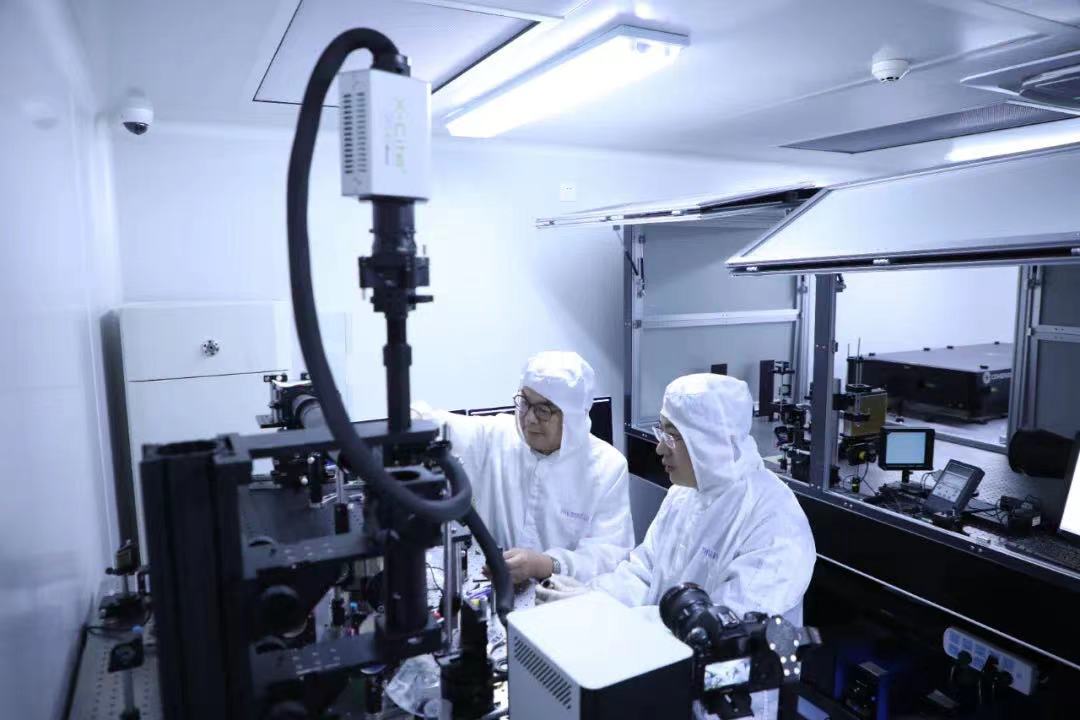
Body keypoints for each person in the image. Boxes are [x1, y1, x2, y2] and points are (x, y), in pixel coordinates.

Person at [536, 373, 816, 719]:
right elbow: (643, 572)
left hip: (724, 703)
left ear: (711, 440)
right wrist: (591, 599)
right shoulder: (683, 494)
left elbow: (719, 631)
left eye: (673, 436)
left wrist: (608, 618)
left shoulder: (775, 521)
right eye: (662, 431)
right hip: (659, 671)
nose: (659, 448)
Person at [415, 351, 634, 584]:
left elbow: (609, 555)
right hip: (489, 585)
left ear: (573, 417)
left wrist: (544, 564)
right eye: (525, 402)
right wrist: (408, 420)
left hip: (564, 595)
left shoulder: (607, 467)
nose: (529, 418)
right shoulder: (496, 437)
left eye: (543, 410)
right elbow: (434, 423)